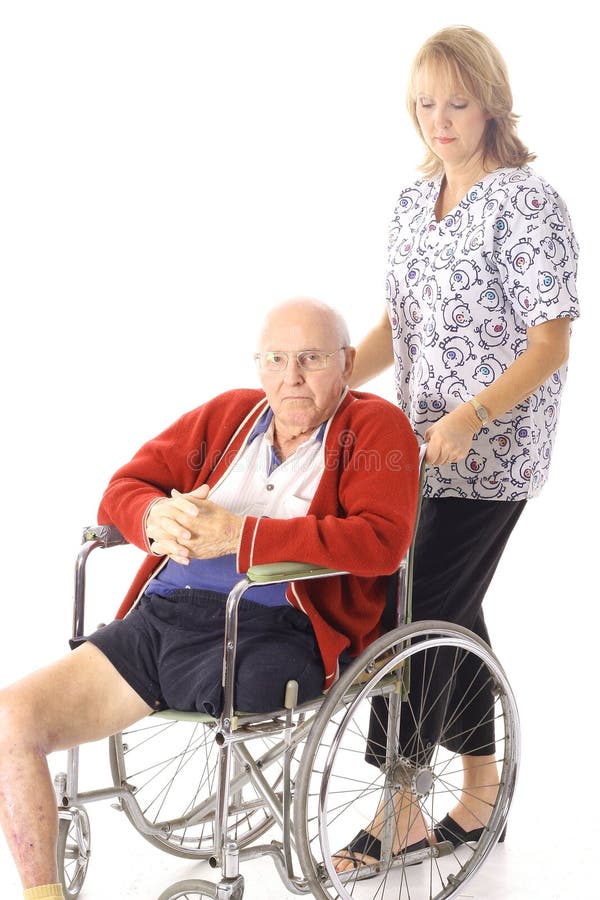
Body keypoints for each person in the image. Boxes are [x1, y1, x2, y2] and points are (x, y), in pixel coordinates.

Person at [0, 297, 419, 900]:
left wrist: (241, 535)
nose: (291, 377)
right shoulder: (228, 416)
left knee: (236, 684)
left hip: (277, 625)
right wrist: (152, 514)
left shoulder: (377, 429)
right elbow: (124, 485)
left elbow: (382, 542)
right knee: (13, 718)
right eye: (275, 359)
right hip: (162, 618)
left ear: (348, 363)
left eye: (311, 359)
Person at [334, 25, 580, 872]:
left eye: (457, 103)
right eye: (425, 104)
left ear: (491, 105)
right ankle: (481, 800)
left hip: (493, 449)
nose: (439, 120)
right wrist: (329, 378)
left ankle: (401, 801)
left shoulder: (526, 202)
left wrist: (473, 415)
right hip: (416, 448)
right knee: (451, 611)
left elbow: (551, 343)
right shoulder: (411, 201)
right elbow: (396, 329)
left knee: (411, 613)